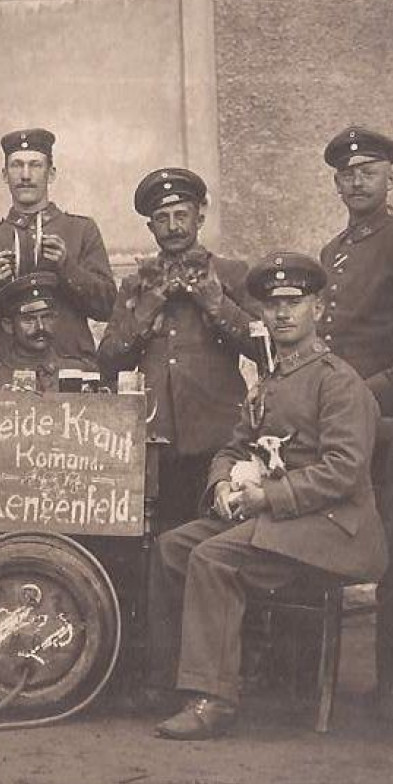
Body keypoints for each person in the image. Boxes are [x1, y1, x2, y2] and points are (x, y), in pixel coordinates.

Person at [145, 253, 387, 739]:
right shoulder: (271, 380)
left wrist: (265, 497)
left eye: (294, 303)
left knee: (213, 558)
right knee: (172, 547)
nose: (281, 313)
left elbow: (343, 471)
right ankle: (175, 681)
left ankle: (212, 699)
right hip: (281, 518)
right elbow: (234, 446)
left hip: (333, 528)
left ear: (317, 309)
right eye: (272, 304)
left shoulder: (337, 382)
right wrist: (219, 485)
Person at [313, 127, 393, 724]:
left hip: (388, 423)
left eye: (369, 171)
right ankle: (313, 682)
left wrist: (363, 398)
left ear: (392, 178)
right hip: (340, 431)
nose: (357, 181)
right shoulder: (332, 254)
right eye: (347, 173)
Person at [98, 166, 256, 533]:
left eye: (182, 215)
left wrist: (218, 305)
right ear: (151, 228)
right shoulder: (137, 285)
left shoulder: (231, 274)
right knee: (162, 544)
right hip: (158, 441)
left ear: (200, 217)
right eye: (162, 219)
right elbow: (107, 359)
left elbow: (265, 349)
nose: (173, 226)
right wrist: (145, 312)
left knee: (220, 540)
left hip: (218, 438)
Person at [0, 128, 116, 371]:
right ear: (4, 175)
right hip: (6, 370)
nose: (25, 175)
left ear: (51, 173)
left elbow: (107, 307)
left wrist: (68, 267)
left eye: (35, 165)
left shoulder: (81, 230)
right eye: (16, 166)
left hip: (71, 365)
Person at [0, 272, 97, 391]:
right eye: (29, 320)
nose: (40, 327)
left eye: (47, 317)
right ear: (9, 325)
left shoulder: (81, 373)